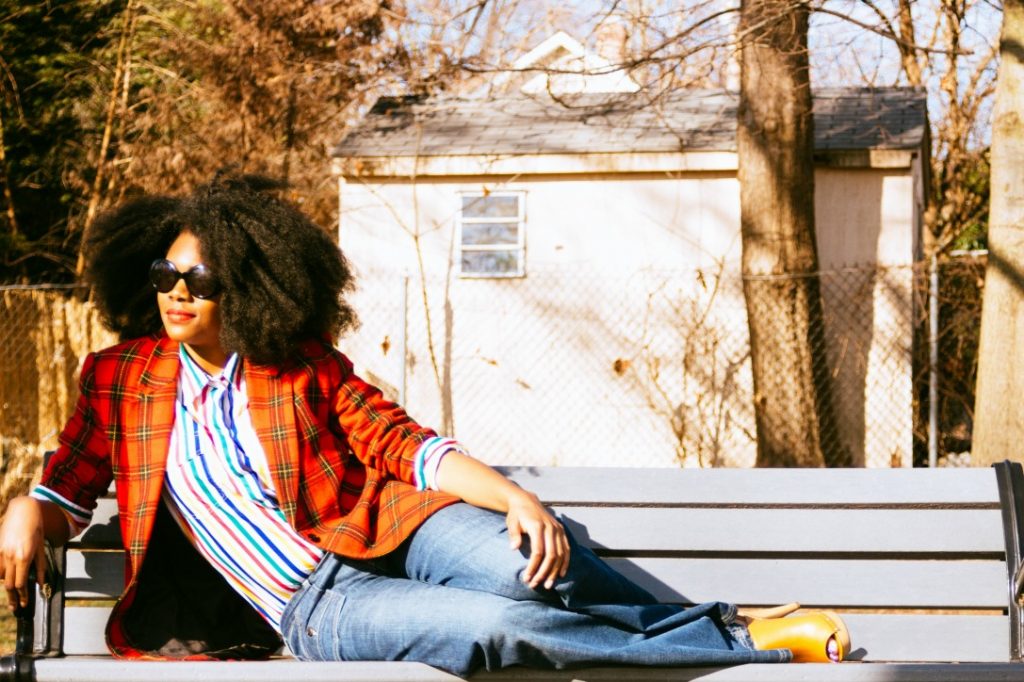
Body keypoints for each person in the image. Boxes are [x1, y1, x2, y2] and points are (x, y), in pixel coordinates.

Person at [0, 174, 849, 676]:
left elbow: (405, 445)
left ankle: (728, 628)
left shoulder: (298, 363)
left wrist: (516, 498)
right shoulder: (122, 379)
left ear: (250, 285)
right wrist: (23, 511)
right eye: (165, 273)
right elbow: (68, 483)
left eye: (202, 278)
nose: (178, 292)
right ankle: (748, 647)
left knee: (527, 573)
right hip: (316, 605)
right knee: (492, 630)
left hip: (390, 527)